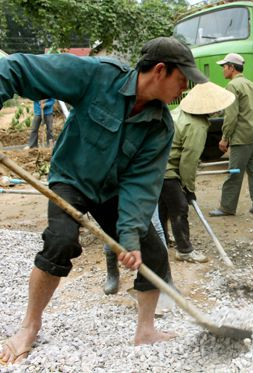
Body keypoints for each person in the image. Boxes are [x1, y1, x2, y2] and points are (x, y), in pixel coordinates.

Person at [0, 36, 208, 365]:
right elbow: (15, 68)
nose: (185, 89)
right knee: (61, 241)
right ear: (159, 71)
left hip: (111, 190)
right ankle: (29, 326)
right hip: (71, 179)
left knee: (153, 251)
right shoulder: (97, 76)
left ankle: (145, 331)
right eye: (183, 79)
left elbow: (139, 187)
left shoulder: (160, 127)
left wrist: (129, 239)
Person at [159, 82, 235, 261]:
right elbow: (188, 161)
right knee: (179, 207)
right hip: (167, 168)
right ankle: (184, 250)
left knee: (163, 204)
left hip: (156, 164)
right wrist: (188, 188)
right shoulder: (197, 125)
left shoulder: (178, 112)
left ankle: (163, 238)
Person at [209, 53, 253, 217]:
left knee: (234, 173)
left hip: (241, 138)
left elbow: (231, 116)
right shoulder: (251, 84)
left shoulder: (232, 86)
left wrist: (225, 137)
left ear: (232, 68)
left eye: (224, 67)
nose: (223, 70)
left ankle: (227, 207)